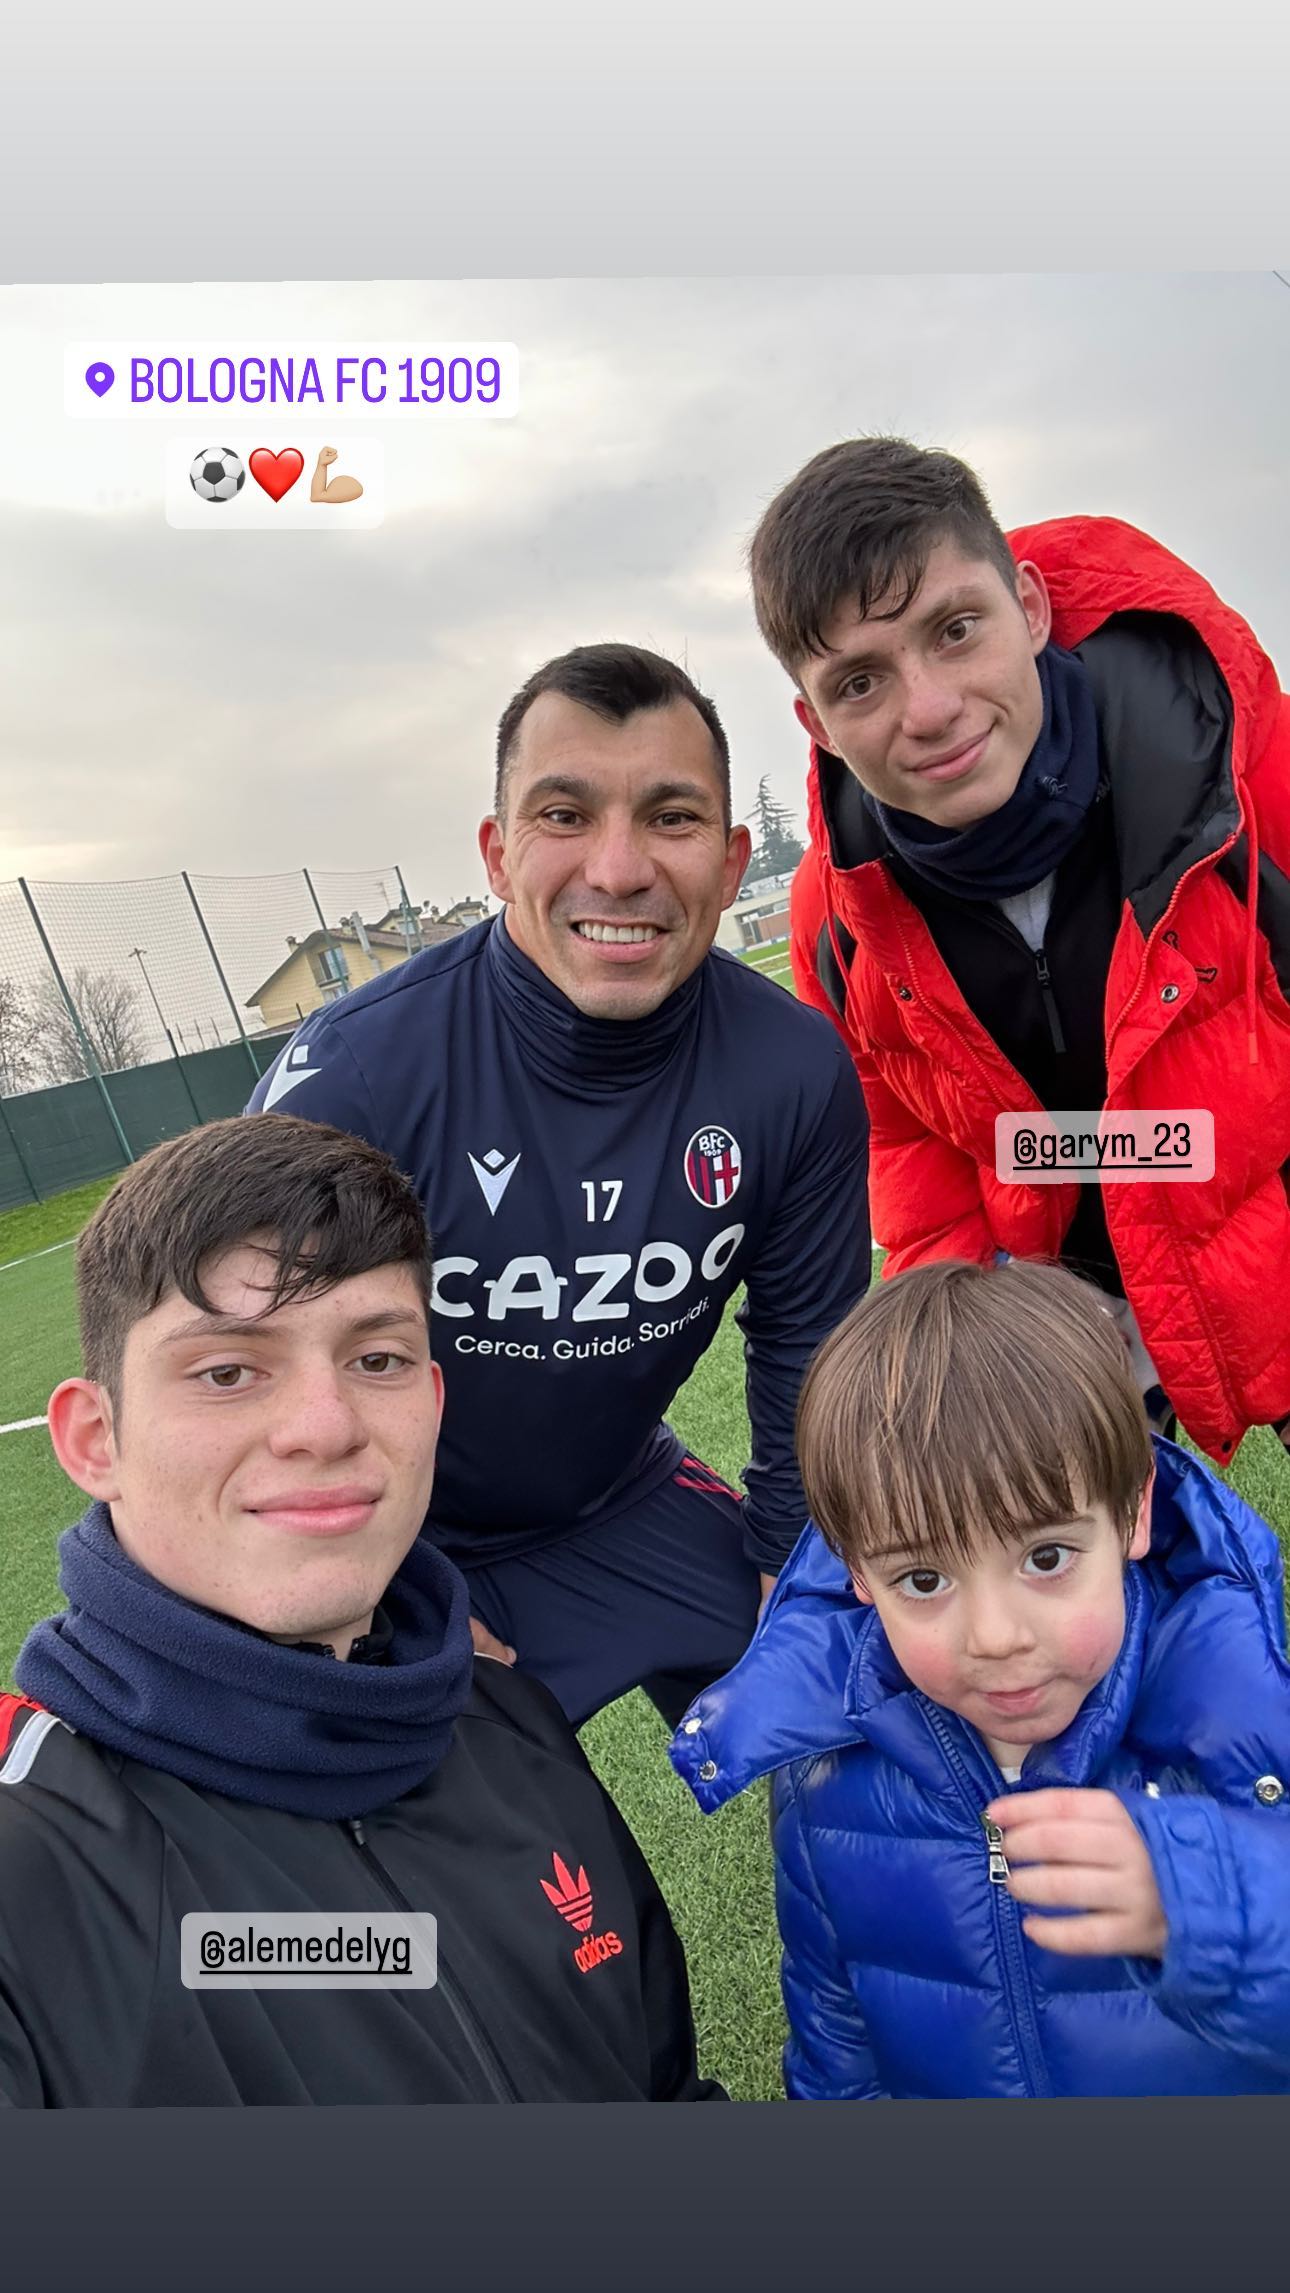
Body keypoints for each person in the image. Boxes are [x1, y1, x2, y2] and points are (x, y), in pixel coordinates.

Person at [0, 1115, 722, 2107]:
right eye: (226, 1370)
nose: (324, 1426)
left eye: (374, 1359)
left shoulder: (510, 1719)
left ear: (431, 1400)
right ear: (93, 1439)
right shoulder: (31, 1860)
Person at [249, 643, 870, 1727]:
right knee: (475, 1846)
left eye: (671, 818)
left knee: (870, 1697)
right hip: (408, 1540)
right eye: (565, 814)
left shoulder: (794, 1070)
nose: (620, 870)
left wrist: (788, 1561)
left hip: (619, 1494)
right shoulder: (356, 1074)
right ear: (497, 854)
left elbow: (807, 1354)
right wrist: (385, 1580)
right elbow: (244, 1380)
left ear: (731, 865)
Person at [747, 434, 1290, 1468]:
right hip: (1065, 1296)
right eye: (860, 682)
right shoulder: (837, 919)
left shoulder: (1248, 766)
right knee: (1073, 1610)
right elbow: (913, 1157)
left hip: (1274, 1218)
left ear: (1030, 608)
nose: (931, 709)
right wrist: (988, 1341)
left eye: (956, 629)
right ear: (813, 721)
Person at [671, 1257, 1290, 2100]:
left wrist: (1209, 1900)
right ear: (858, 1572)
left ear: (1134, 1511)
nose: (995, 1637)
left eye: (1046, 1557)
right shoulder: (823, 1775)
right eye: (923, 1580)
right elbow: (837, 2041)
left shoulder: (1249, 1728)